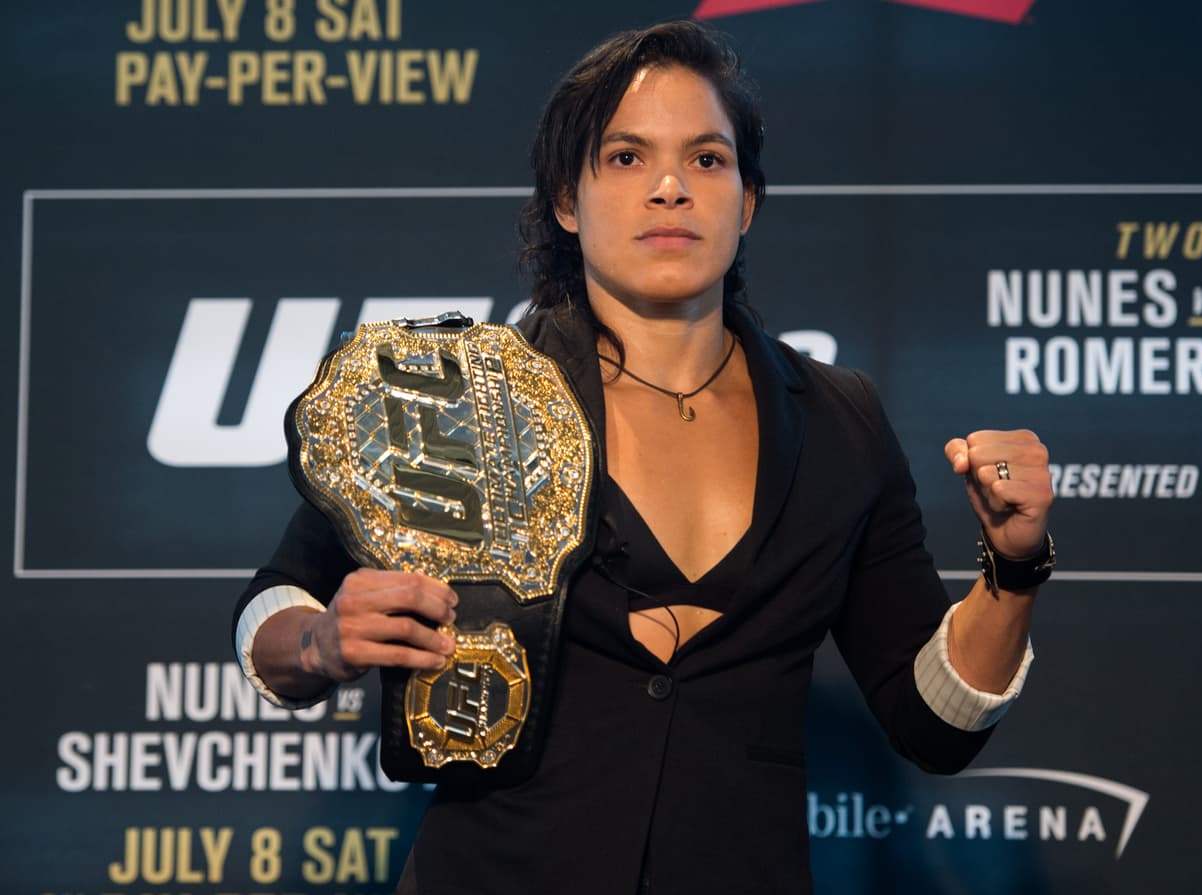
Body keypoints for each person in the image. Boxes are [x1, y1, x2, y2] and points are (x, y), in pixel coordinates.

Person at [233, 20, 1053, 895]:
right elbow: (270, 608)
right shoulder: (461, 394)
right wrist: (320, 641)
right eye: (626, 158)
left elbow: (934, 722)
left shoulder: (841, 421)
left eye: (707, 159)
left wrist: (1014, 566)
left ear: (747, 201)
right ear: (565, 201)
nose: (670, 187)